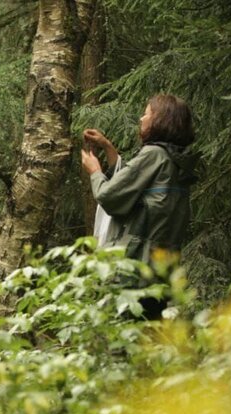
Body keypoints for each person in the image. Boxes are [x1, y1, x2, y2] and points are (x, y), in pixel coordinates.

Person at [80, 94, 197, 318]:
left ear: (161, 121)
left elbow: (110, 196)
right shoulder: (176, 162)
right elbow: (138, 188)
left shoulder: (154, 155)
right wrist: (109, 149)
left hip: (133, 273)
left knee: (121, 342)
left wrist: (95, 171)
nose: (141, 119)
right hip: (160, 274)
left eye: (147, 113)